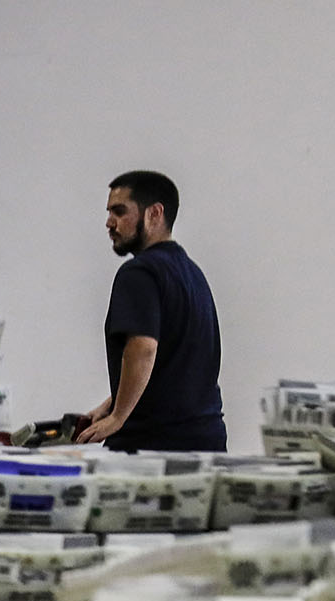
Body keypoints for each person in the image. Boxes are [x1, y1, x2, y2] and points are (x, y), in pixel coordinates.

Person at [76, 170, 227, 451]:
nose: (109, 223)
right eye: (109, 212)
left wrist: (119, 417)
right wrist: (112, 404)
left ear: (154, 213)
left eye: (120, 212)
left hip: (152, 447)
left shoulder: (139, 273)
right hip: (206, 442)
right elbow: (174, 365)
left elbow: (143, 348)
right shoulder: (192, 275)